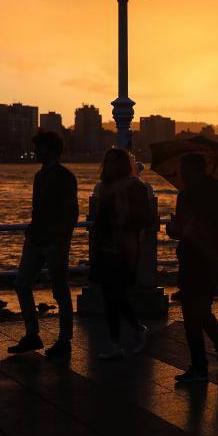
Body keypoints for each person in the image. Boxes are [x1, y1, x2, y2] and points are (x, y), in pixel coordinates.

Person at [9, 131, 78, 357]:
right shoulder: (41, 176)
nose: (36, 151)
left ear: (50, 149)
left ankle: (63, 340)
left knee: (60, 290)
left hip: (53, 241)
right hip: (37, 239)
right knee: (22, 283)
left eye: (40, 147)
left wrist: (59, 236)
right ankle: (33, 335)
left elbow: (71, 212)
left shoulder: (65, 177)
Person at [167, 153, 218, 383]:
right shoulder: (186, 195)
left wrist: (199, 224)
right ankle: (203, 363)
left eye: (185, 170)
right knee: (191, 312)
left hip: (207, 258)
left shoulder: (212, 195)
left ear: (196, 170)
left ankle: (216, 355)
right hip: (191, 257)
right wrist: (177, 228)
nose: (181, 175)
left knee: (199, 310)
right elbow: (182, 227)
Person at [90, 148, 155, 360]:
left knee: (114, 295)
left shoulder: (135, 187)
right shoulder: (105, 188)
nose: (109, 166)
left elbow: (146, 218)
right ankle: (126, 336)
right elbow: (99, 220)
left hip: (124, 246)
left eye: (113, 162)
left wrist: (123, 222)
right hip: (106, 246)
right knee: (112, 296)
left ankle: (125, 337)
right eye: (107, 162)